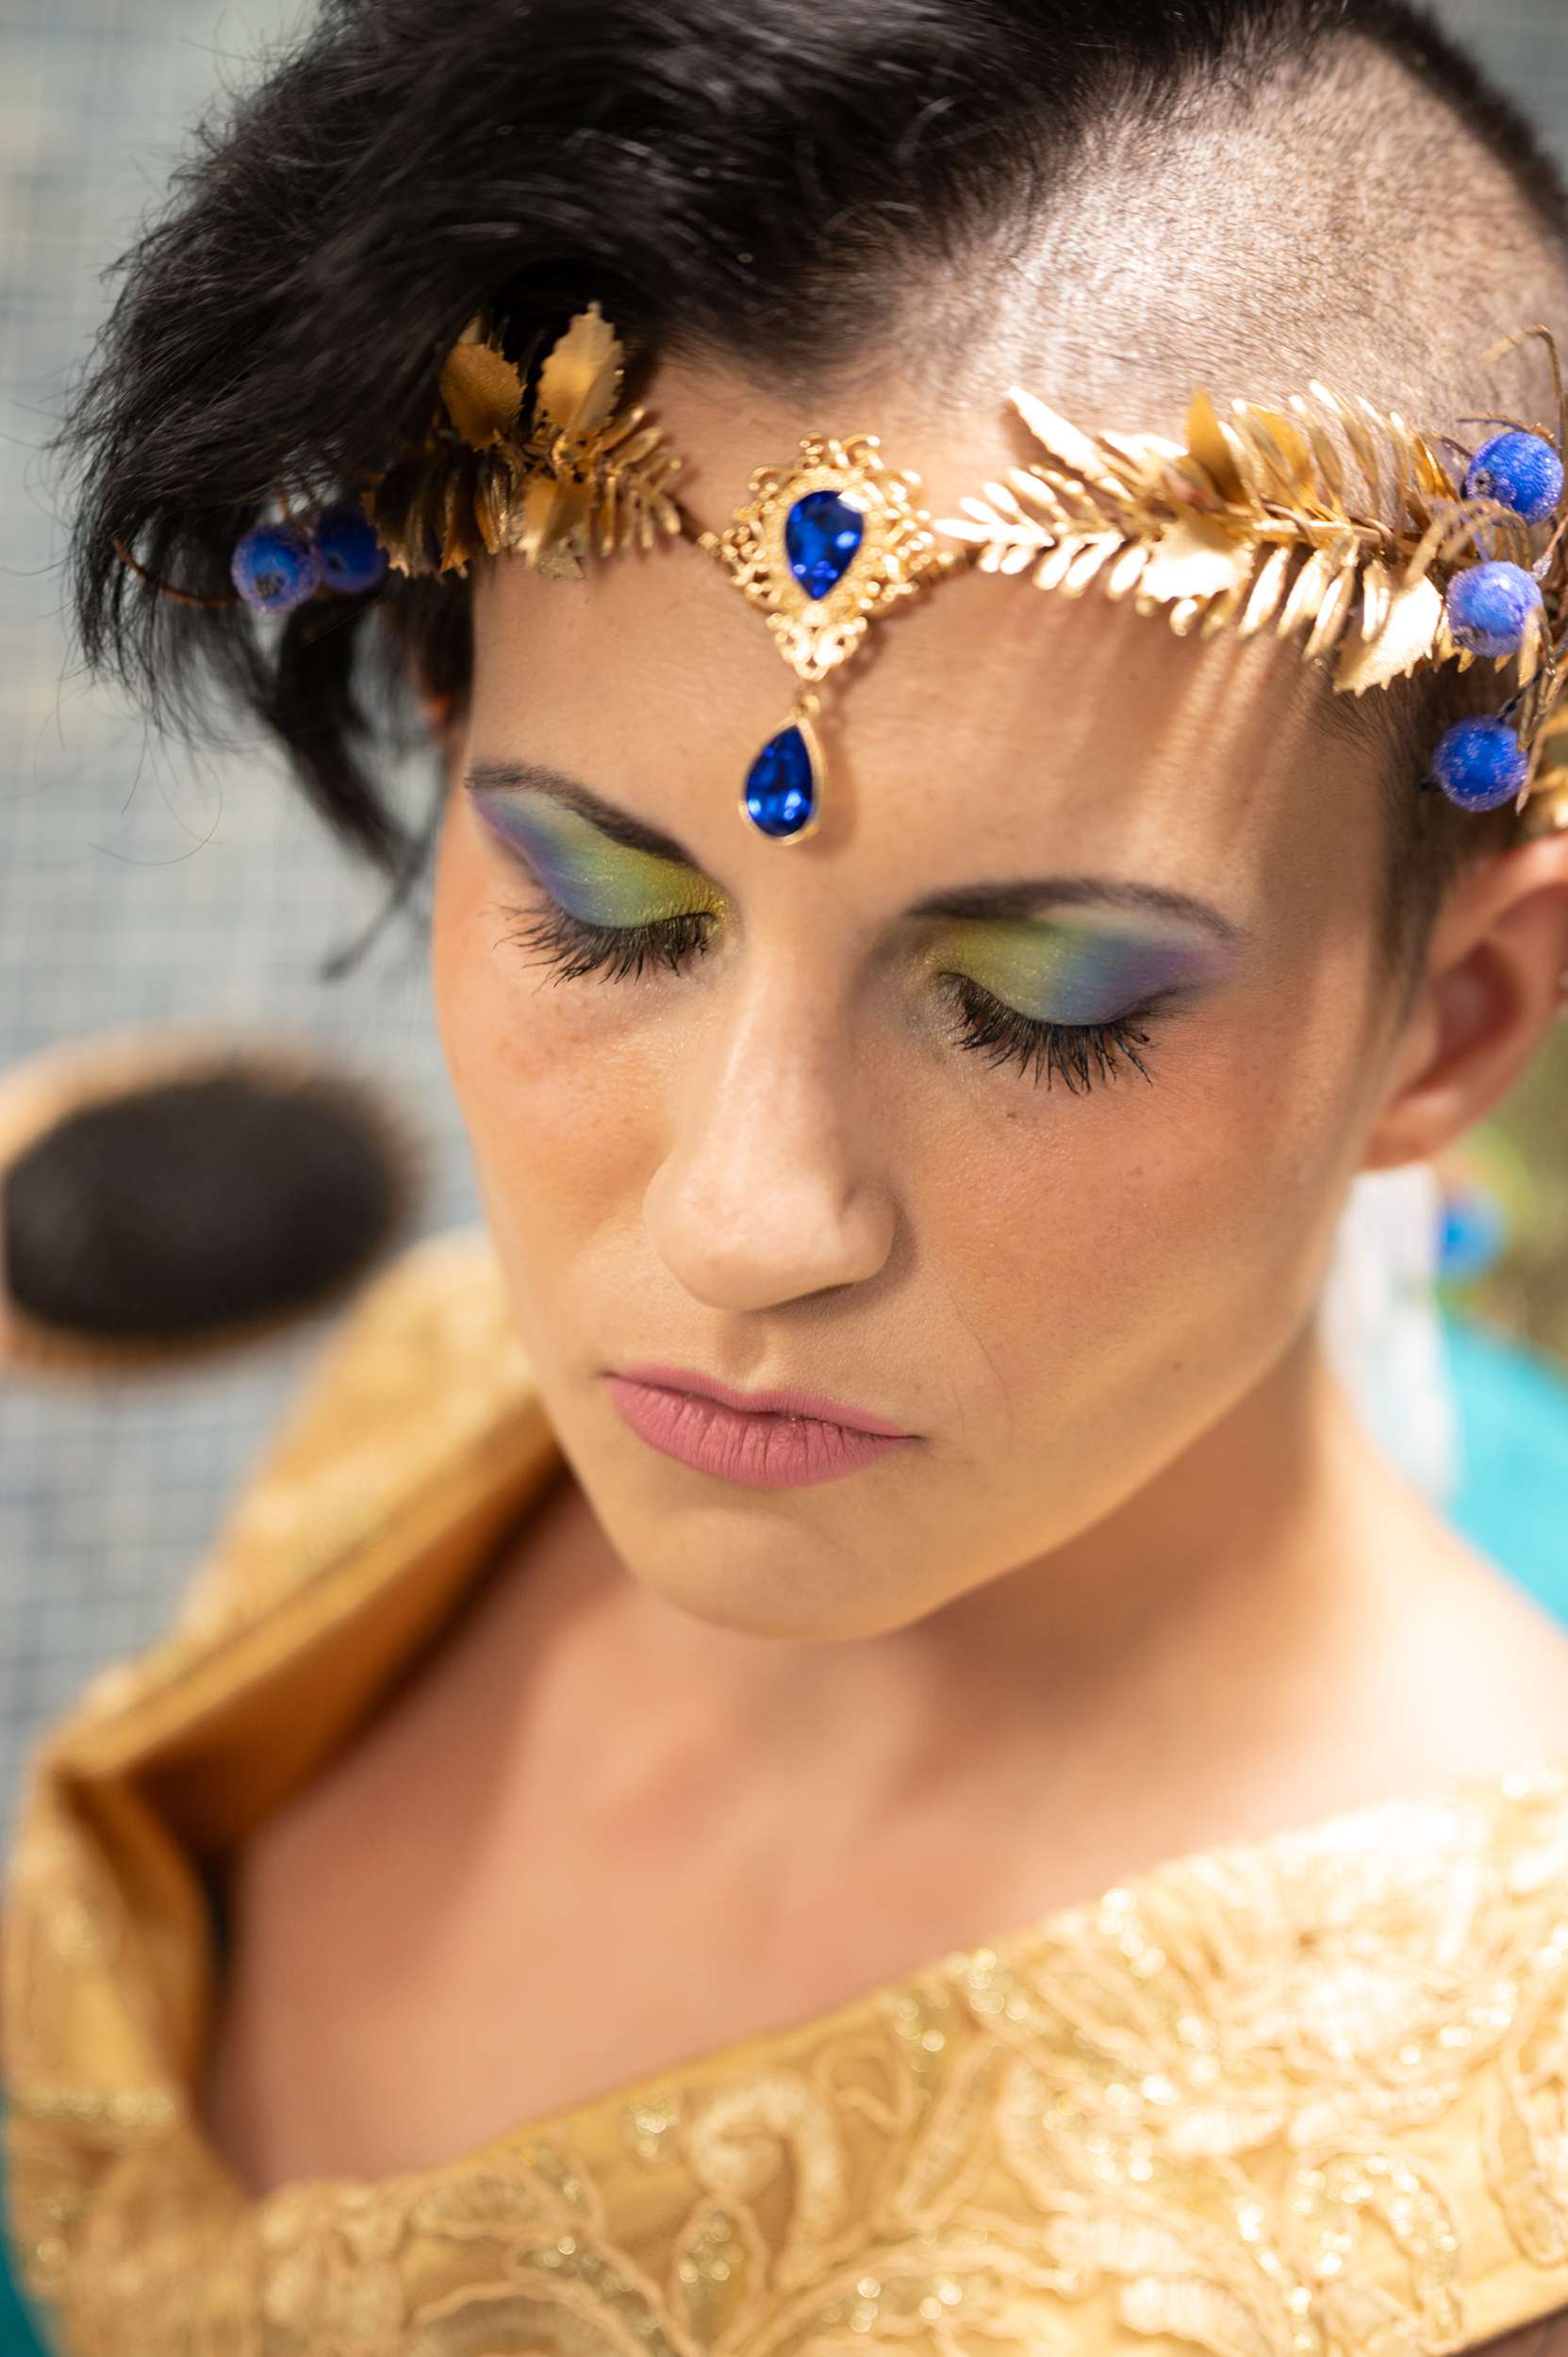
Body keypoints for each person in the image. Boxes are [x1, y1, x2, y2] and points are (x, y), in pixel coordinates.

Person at [7, 0, 1568, 2349]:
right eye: (605, 909)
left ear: (1451, 1019)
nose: (741, 1218)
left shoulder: (1486, 2230)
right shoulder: (448, 1399)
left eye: (1037, 1001)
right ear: (451, 728)